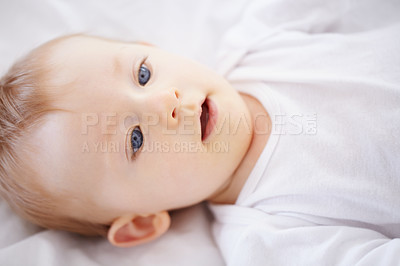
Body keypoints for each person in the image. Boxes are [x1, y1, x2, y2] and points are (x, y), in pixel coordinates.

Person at [1, 3, 399, 263]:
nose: (164, 103)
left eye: (143, 74)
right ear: (142, 221)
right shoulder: (268, 239)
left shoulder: (258, 40)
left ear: (152, 48)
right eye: (135, 139)